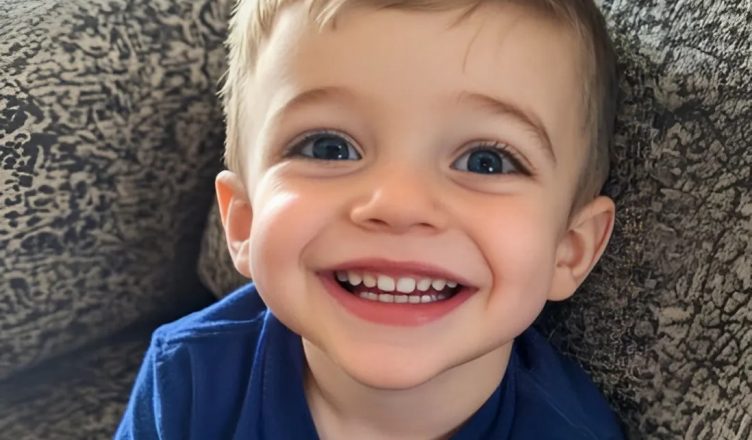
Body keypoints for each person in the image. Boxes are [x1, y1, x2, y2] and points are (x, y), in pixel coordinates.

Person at [116, 0, 624, 438]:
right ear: (244, 221)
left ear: (569, 249)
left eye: (486, 161)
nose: (398, 205)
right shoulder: (186, 381)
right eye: (328, 148)